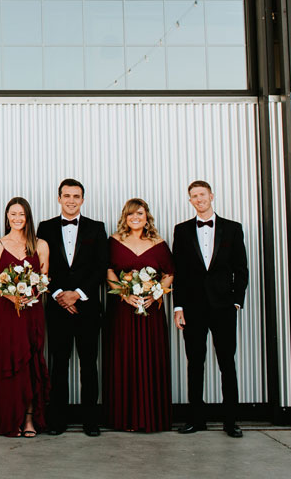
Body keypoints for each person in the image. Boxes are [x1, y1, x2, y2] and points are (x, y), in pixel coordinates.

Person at [173, 181, 249, 439]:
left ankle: (231, 421)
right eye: (194, 196)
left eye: (202, 194)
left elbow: (241, 268)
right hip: (193, 308)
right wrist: (178, 307)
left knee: (227, 362)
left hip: (224, 307)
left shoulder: (232, 228)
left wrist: (236, 301)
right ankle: (196, 420)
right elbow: (179, 272)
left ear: (211, 196)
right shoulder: (182, 230)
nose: (199, 199)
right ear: (190, 200)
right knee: (195, 363)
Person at [37, 179, 108, 437]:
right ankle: (57, 420)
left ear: (82, 200)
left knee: (89, 364)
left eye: (76, 196)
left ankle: (91, 421)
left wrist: (77, 294)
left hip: (87, 307)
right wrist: (58, 295)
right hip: (57, 307)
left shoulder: (96, 228)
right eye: (66, 196)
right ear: (59, 198)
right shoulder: (45, 227)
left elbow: (101, 266)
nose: (71, 200)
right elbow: (41, 265)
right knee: (59, 363)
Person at [103, 198, 174, 433]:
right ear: (125, 217)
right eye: (131, 214)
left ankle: (150, 417)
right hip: (122, 312)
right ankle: (124, 418)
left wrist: (156, 293)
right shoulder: (114, 241)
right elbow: (108, 270)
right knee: (124, 359)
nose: (135, 217)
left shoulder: (158, 243)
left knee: (149, 360)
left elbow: (169, 273)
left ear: (147, 217)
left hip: (150, 312)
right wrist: (124, 294)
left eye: (140, 213)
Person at [0, 198, 50, 437]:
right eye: (13, 214)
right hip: (8, 312)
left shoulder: (40, 244)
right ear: (7, 216)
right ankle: (11, 418)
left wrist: (32, 294)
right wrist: (10, 296)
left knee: (30, 362)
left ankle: (29, 419)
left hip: (32, 312)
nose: (17, 218)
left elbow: (45, 278)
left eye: (21, 214)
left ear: (27, 217)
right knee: (10, 361)